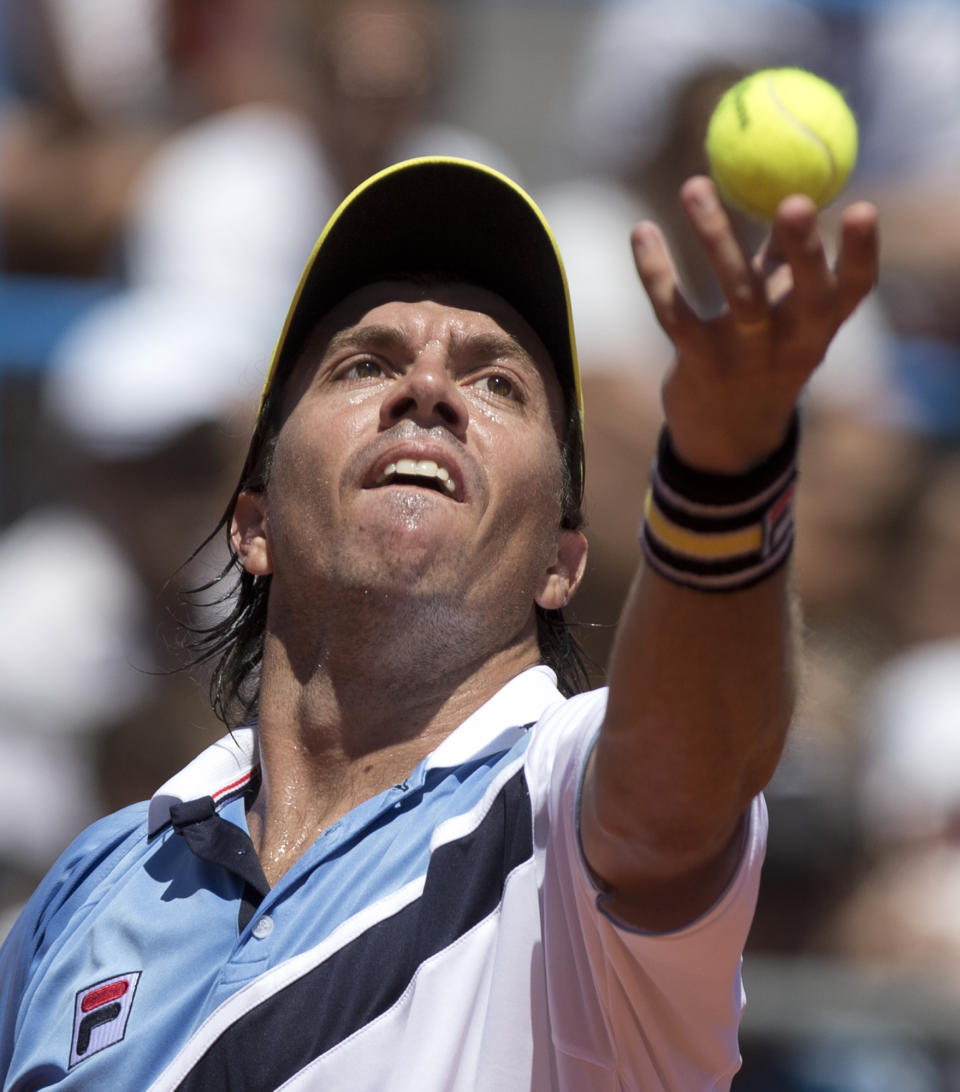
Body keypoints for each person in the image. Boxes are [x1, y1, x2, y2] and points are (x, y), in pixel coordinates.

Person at [0, 155, 878, 1090]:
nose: (429, 391)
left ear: (560, 564)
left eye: (498, 383)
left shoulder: (561, 809)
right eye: (366, 363)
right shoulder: (92, 886)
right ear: (253, 525)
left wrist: (726, 470)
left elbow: (687, 773)